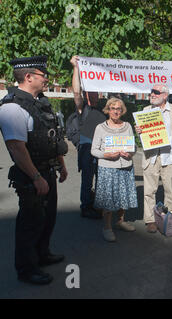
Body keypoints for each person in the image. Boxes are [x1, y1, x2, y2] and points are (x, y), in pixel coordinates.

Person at [0, 56, 68, 285]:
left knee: (47, 218)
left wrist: (61, 164)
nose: (47, 79)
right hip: (32, 175)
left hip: (47, 171)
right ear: (28, 77)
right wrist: (36, 177)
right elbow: (16, 148)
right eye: (43, 75)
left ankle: (42, 254)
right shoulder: (12, 107)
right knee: (30, 222)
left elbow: (52, 136)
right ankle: (27, 269)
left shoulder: (40, 102)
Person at [135, 84, 172, 233]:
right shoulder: (146, 111)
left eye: (156, 92)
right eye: (151, 91)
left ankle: (171, 217)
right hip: (151, 157)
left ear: (165, 95)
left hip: (169, 157)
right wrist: (139, 131)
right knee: (149, 191)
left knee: (169, 190)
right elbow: (144, 138)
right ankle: (150, 220)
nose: (152, 94)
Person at [91, 98, 138, 242]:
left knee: (123, 196)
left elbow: (133, 147)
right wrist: (106, 154)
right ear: (108, 110)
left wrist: (130, 153)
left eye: (118, 108)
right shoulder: (100, 127)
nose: (116, 111)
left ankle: (120, 221)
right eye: (112, 108)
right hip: (108, 168)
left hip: (125, 167)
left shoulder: (128, 126)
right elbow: (94, 150)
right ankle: (107, 227)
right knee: (109, 200)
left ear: (122, 111)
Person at [70, 55, 106, 219]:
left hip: (103, 150)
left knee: (101, 179)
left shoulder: (104, 110)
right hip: (87, 149)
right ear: (86, 95)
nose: (94, 95)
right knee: (87, 179)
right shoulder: (82, 108)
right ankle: (86, 207)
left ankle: (98, 204)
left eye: (96, 92)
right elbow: (76, 91)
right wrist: (75, 68)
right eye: (91, 93)